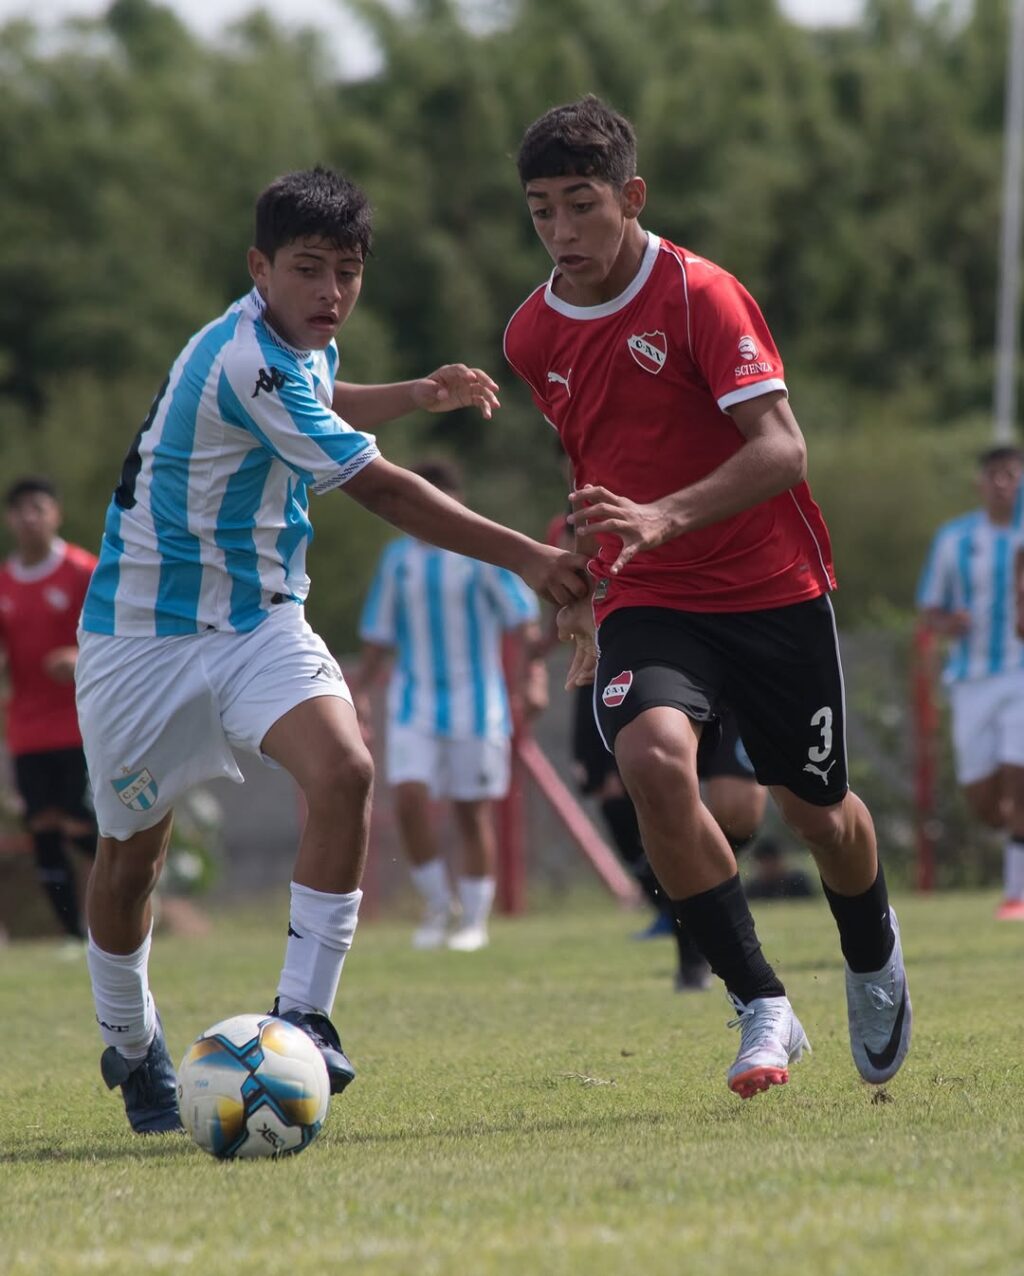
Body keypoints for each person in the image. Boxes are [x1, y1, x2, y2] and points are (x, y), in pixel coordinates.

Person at [76, 165, 588, 1135]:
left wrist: (410, 392)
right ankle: (129, 1039)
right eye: (308, 270)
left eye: (347, 272)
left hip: (263, 616)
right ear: (257, 267)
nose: (330, 293)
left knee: (347, 767)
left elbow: (325, 389)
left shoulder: (296, 344)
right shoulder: (243, 362)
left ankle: (302, 1010)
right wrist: (530, 556)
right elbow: (384, 492)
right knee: (131, 858)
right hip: (142, 637)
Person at [503, 96, 911, 1098]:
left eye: (581, 206)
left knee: (819, 815)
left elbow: (781, 449)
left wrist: (661, 515)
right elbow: (594, 463)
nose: (560, 233)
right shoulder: (529, 334)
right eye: (541, 211)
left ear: (631, 197)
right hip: (651, 594)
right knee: (647, 757)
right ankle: (759, 1000)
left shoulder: (700, 297)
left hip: (772, 591)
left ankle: (871, 952)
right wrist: (582, 577)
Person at [547, 505, 766, 990]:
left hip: (729, 641)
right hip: (644, 660)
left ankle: (711, 896)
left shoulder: (704, 485)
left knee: (739, 809)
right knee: (655, 803)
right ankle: (694, 938)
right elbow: (577, 611)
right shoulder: (584, 511)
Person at [352, 458, 546, 953]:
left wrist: (535, 676)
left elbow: (523, 622)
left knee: (469, 810)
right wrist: (358, 694)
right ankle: (440, 904)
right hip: (412, 701)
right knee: (410, 797)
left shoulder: (481, 555)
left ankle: (474, 921)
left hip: (477, 704)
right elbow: (378, 635)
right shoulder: (397, 560)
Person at [918, 445, 1024, 921]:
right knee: (984, 802)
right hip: (971, 679)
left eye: (1012, 474)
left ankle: (1015, 897)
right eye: (995, 475)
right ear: (981, 483)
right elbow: (930, 609)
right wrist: (948, 623)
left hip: (1020, 672)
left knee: (1019, 776)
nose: (1004, 483)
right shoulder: (954, 539)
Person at [0, 477, 98, 945]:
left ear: (55, 513)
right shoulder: (3, 582)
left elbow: (115, 634)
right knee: (42, 825)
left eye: (38, 507)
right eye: (20, 510)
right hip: (26, 727)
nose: (29, 517)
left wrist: (80, 658)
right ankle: (71, 936)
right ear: (9, 519)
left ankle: (126, 907)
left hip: (81, 724)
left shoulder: (82, 572)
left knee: (80, 823)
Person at [744, 837, 815, 902]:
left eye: (770, 861)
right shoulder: (752, 889)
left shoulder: (797, 883)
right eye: (763, 862)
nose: (768, 867)